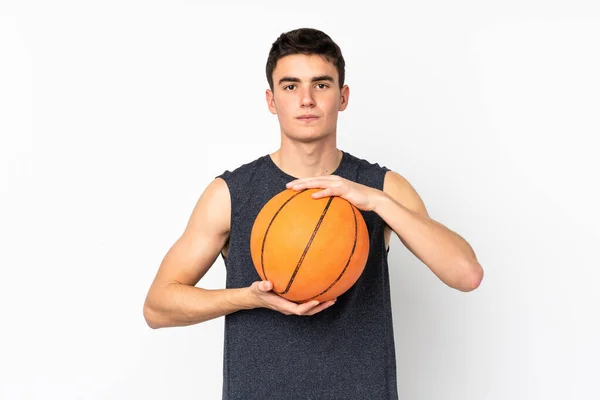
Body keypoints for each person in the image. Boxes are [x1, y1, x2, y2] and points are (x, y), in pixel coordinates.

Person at [143, 27, 484, 399]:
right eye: (291, 86)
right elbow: (158, 308)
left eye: (321, 85)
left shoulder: (382, 187)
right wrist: (249, 297)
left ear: (343, 97)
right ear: (272, 100)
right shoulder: (230, 193)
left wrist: (378, 203)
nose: (306, 99)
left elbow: (466, 274)